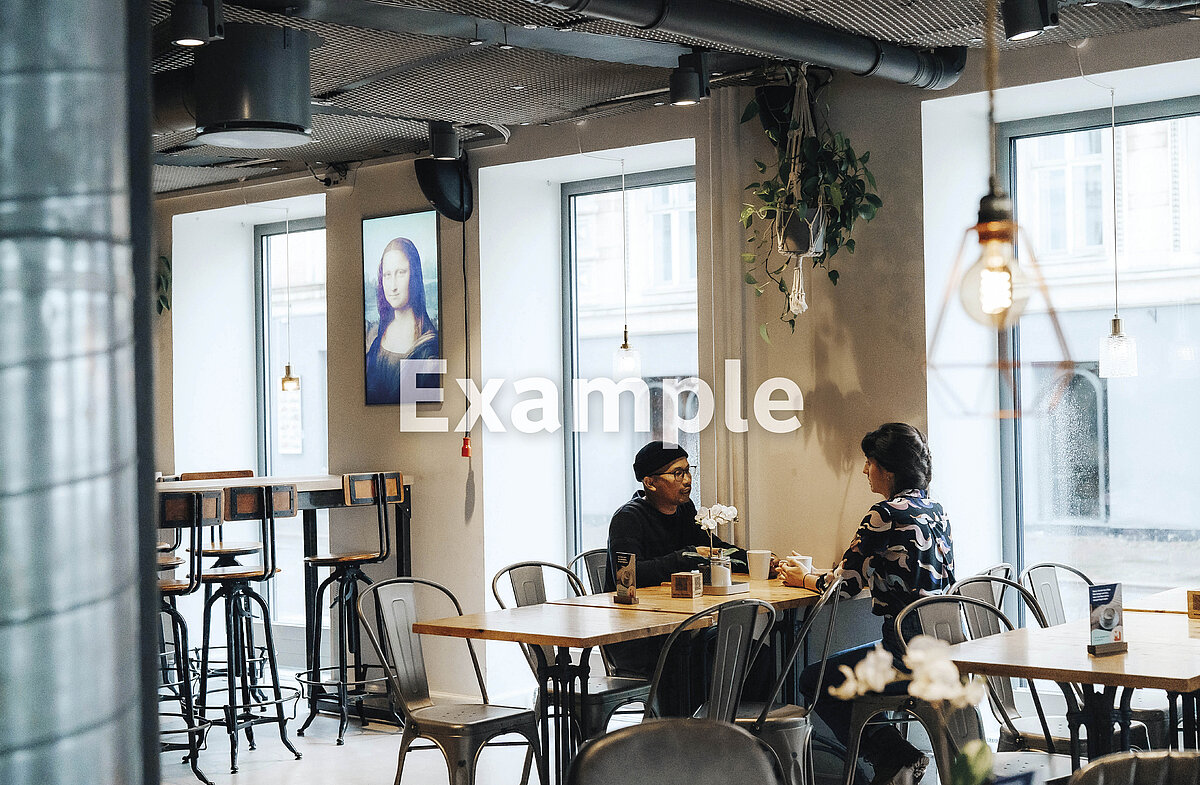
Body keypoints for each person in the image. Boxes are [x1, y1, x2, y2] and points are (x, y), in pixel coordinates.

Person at [779, 423, 954, 785]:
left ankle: (895, 757)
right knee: (851, 670)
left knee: (814, 679)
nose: (863, 470)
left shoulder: (885, 513)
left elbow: (845, 585)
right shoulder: (936, 509)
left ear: (886, 469)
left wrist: (803, 579)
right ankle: (896, 758)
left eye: (869, 462)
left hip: (903, 652)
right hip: (943, 646)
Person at [603, 441, 748, 713]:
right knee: (694, 654)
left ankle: (734, 731)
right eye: (678, 473)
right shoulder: (628, 518)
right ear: (650, 482)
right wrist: (686, 556)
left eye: (688, 470)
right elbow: (628, 578)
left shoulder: (684, 511)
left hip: (681, 625)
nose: (687, 480)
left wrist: (750, 560)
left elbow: (710, 546)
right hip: (637, 635)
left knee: (745, 650)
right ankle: (682, 736)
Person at [364, 237, 439, 404]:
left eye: (401, 273)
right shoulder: (379, 340)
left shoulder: (429, 347)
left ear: (414, 275)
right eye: (387, 275)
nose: (393, 286)